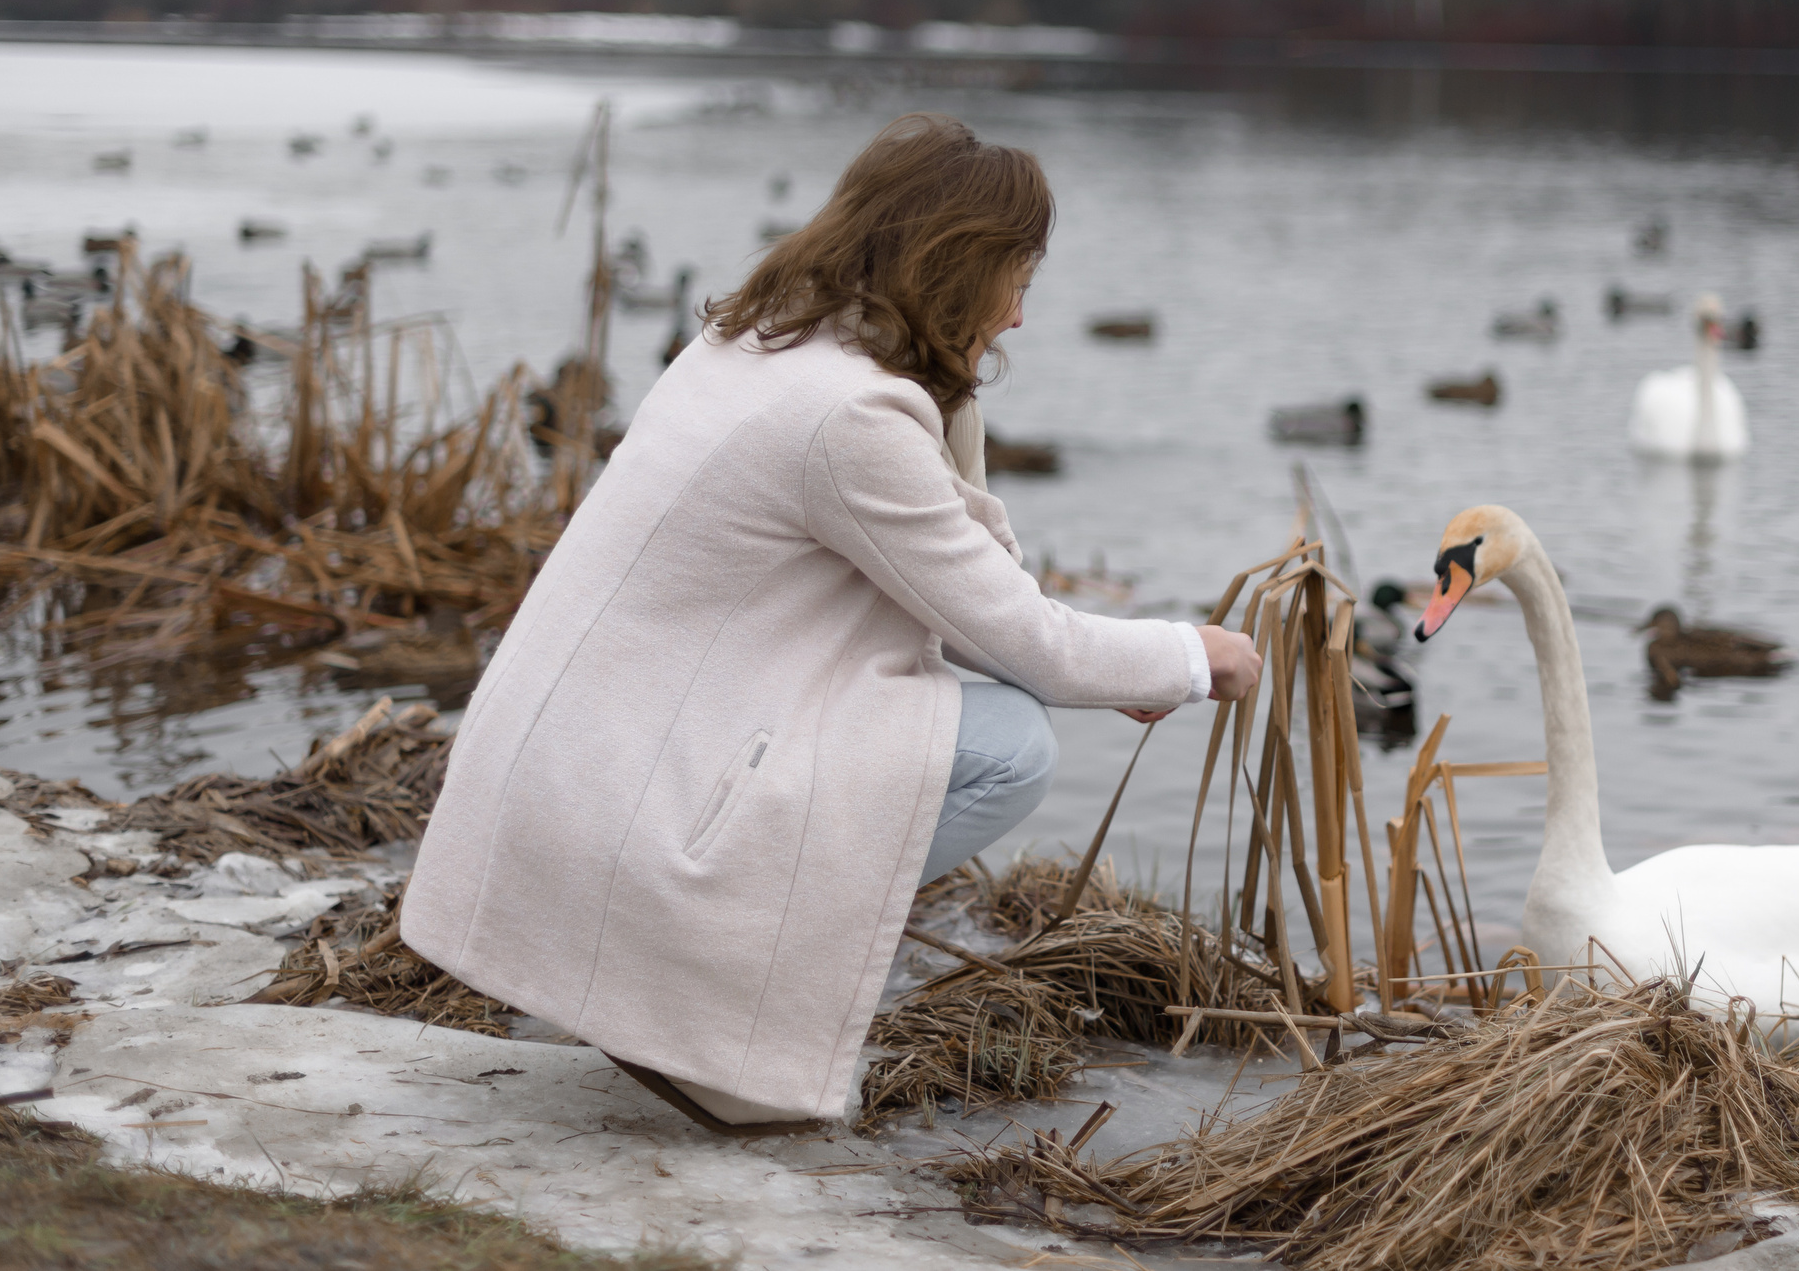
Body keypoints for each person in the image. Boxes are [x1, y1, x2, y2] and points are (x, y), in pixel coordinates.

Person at [401, 113, 1262, 1133]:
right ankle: (703, 1004)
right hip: (618, 808)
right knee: (1011, 747)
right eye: (1017, 283)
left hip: (561, 776)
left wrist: (953, 395)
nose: (1022, 317)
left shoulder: (754, 344)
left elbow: (975, 588)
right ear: (959, 268)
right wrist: (1188, 656)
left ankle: (687, 986)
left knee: (966, 713)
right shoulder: (850, 419)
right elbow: (1019, 635)